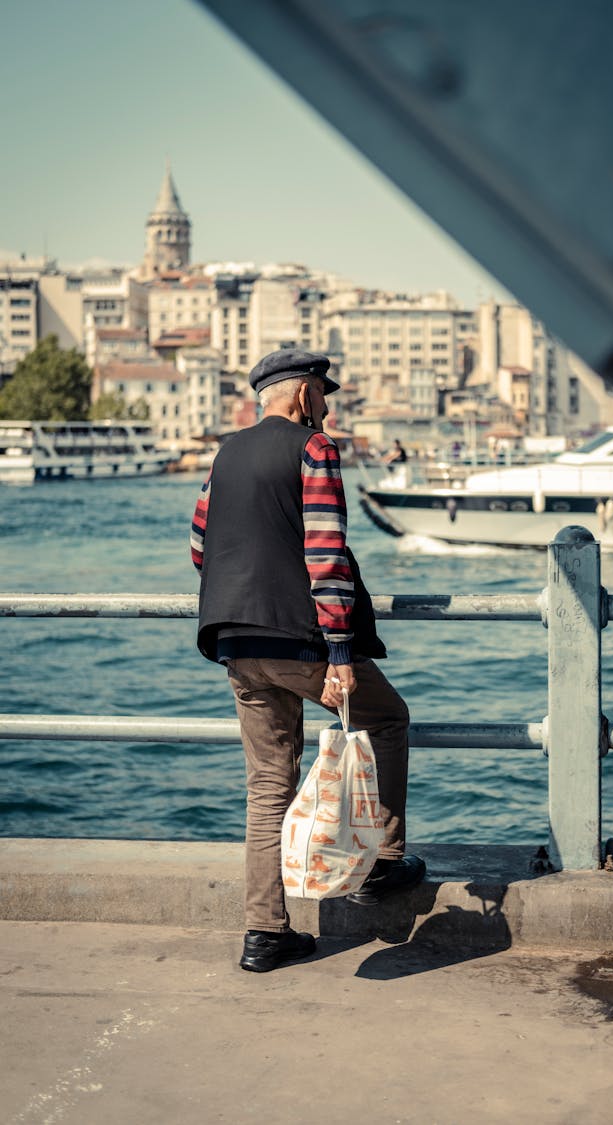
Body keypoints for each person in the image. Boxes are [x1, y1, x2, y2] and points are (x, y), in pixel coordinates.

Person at [191, 349, 425, 973]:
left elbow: (199, 545)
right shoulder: (313, 449)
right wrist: (341, 649)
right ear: (301, 393)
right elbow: (326, 551)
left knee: (268, 786)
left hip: (234, 641)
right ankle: (386, 862)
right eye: (325, 393)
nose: (328, 405)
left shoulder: (224, 453)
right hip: (300, 641)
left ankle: (265, 933)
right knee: (389, 719)